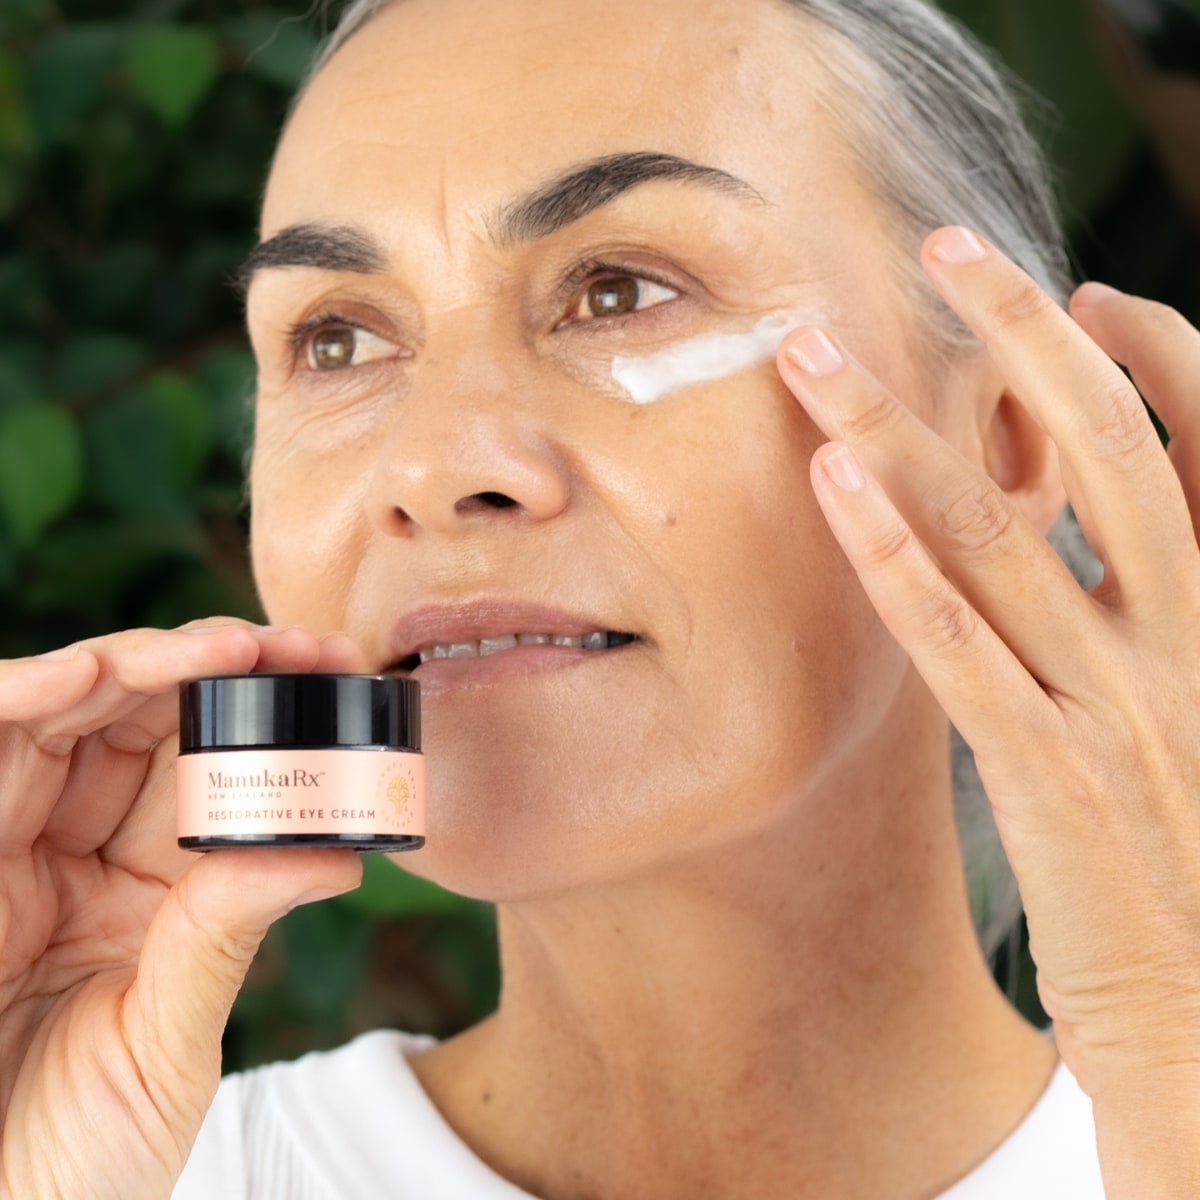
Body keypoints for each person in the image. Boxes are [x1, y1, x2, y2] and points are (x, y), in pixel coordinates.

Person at [1, 0, 1198, 1195]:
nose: (432, 467)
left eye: (618, 290)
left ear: (999, 444)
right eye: (337, 341)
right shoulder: (115, 1166)